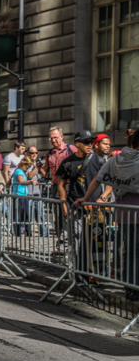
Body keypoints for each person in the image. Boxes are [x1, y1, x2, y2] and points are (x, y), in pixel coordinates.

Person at [74, 128, 139, 301]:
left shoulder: (117, 158)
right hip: (135, 212)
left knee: (130, 251)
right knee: (134, 251)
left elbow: (98, 178)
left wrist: (86, 197)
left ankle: (131, 288)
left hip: (124, 214)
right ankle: (134, 287)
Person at [56, 130, 105, 261]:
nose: (91, 145)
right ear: (77, 144)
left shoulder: (99, 160)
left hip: (95, 208)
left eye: (92, 142)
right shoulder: (68, 162)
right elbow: (60, 185)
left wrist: (103, 198)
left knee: (95, 239)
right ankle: (76, 269)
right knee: (76, 238)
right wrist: (64, 205)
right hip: (75, 206)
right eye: (86, 142)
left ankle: (93, 271)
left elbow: (109, 181)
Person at [11, 156, 39, 236]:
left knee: (26, 214)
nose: (29, 167)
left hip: (24, 195)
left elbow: (29, 176)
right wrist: (31, 181)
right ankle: (17, 232)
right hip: (18, 195)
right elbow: (22, 182)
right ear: (24, 164)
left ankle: (28, 231)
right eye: (28, 166)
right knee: (18, 215)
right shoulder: (18, 171)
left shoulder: (23, 172)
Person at [25, 146, 48, 236]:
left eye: (36, 153)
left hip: (37, 193)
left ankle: (44, 232)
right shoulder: (26, 163)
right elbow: (29, 176)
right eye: (32, 153)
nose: (34, 155)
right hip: (28, 193)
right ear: (28, 154)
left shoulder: (36, 164)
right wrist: (36, 168)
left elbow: (44, 174)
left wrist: (40, 167)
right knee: (29, 215)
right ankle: (28, 232)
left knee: (40, 214)